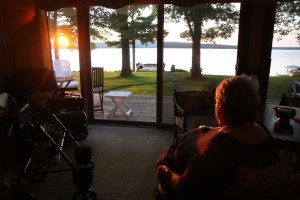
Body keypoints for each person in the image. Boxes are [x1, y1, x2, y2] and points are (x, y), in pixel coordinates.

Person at [155, 74, 279, 200]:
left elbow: (188, 189)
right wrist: (215, 130)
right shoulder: (262, 130)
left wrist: (165, 173)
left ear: (220, 110)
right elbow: (236, 132)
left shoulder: (215, 149)